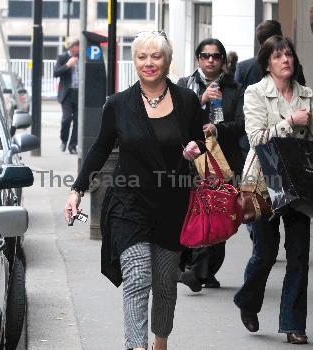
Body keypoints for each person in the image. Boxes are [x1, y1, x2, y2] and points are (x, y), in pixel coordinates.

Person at [64, 31, 205, 350]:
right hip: (130, 204)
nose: (149, 63)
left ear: (167, 61)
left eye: (156, 56)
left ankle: (159, 342)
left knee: (166, 284)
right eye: (142, 56)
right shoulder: (118, 104)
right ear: (134, 61)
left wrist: (196, 151)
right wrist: (77, 190)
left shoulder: (186, 101)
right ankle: (135, 345)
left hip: (173, 204)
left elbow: (202, 144)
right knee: (138, 277)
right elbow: (99, 149)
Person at [233, 35, 313, 345]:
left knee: (299, 256)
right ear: (267, 63)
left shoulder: (306, 94)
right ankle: (248, 300)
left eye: (289, 55)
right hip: (262, 181)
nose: (286, 60)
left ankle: (294, 325)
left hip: (298, 183)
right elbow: (256, 138)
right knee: (265, 253)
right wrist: (289, 122)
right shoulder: (255, 93)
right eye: (278, 56)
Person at [177, 38, 245, 292]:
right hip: (192, 161)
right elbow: (176, 119)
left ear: (223, 61)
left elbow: (242, 123)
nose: (210, 60)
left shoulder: (235, 89)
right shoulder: (185, 86)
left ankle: (205, 270)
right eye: (205, 56)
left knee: (218, 213)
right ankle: (194, 267)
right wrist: (201, 100)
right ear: (198, 59)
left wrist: (217, 128)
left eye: (216, 56)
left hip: (223, 162)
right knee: (192, 212)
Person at [235, 20, 306, 159]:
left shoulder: (244, 67)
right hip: (269, 141)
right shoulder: (294, 67)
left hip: (254, 137)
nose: (285, 60)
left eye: (288, 54)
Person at [54, 37, 80, 154]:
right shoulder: (63, 57)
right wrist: (68, 65)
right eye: (76, 46)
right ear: (71, 47)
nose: (78, 48)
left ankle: (72, 146)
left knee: (78, 121)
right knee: (66, 119)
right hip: (67, 93)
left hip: (80, 93)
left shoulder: (83, 57)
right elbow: (56, 73)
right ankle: (64, 140)